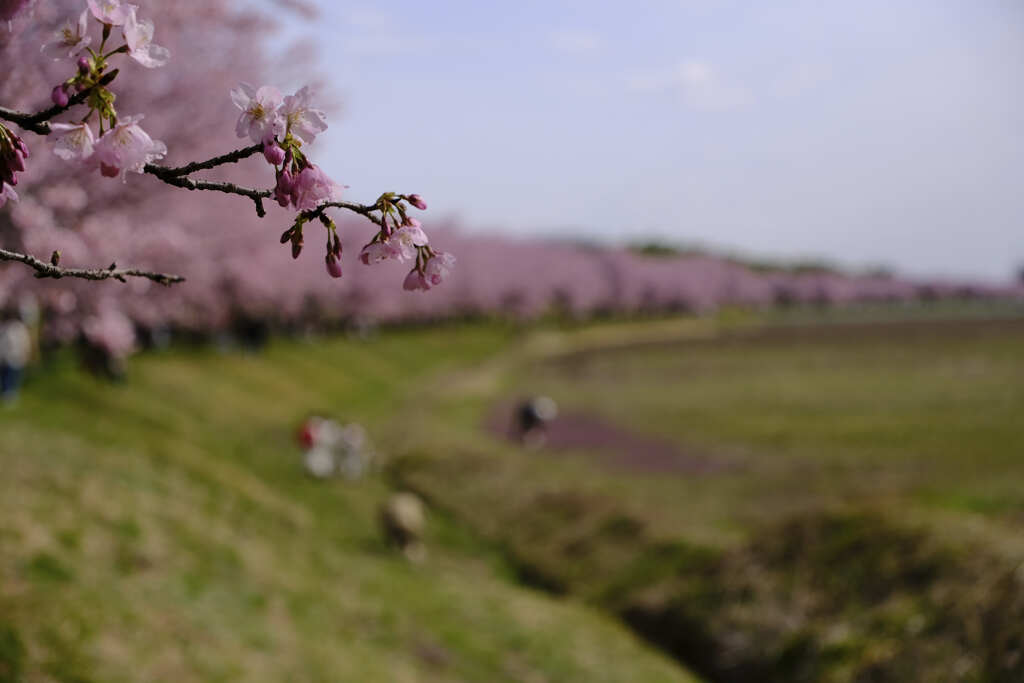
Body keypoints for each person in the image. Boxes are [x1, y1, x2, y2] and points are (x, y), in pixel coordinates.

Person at [0, 310, 31, 404]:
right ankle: (8, 395)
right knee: (9, 377)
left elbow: (24, 342)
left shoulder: (15, 327)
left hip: (13, 357)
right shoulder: (7, 327)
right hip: (10, 357)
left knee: (11, 377)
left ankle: (9, 395)